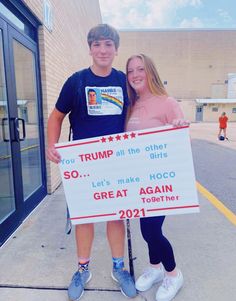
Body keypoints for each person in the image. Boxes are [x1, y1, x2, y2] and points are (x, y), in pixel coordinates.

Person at [47, 24, 137, 301]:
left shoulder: (124, 81)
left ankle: (119, 268)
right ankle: (83, 269)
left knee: (115, 216)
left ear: (116, 50)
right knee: (85, 218)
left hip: (116, 162)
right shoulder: (77, 81)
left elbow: (139, 114)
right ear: (90, 49)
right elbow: (56, 116)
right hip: (84, 164)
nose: (102, 50)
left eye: (108, 44)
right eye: (97, 44)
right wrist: (52, 144)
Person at [126, 54, 188, 301]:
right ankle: (154, 268)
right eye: (130, 71)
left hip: (160, 180)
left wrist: (180, 127)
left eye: (140, 69)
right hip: (137, 180)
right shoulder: (130, 104)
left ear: (150, 71)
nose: (135, 75)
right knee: (147, 227)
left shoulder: (167, 102)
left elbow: (180, 141)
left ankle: (173, 274)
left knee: (151, 230)